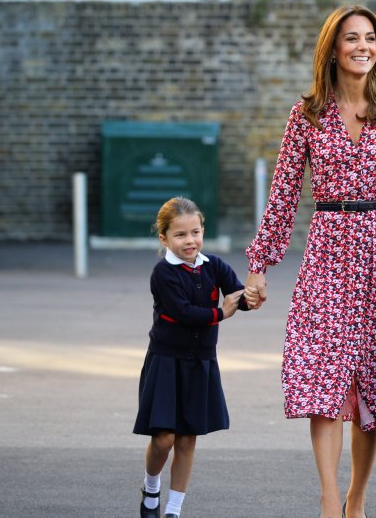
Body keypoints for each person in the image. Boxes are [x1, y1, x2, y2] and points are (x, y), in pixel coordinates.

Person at [241, 4, 376, 518]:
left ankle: (357, 499)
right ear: (333, 47)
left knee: (372, 386)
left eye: (370, 38)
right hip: (327, 250)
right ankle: (330, 499)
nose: (362, 47)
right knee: (323, 377)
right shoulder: (306, 114)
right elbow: (283, 197)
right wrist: (260, 263)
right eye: (351, 38)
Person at [135, 196, 249, 518]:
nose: (190, 241)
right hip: (167, 361)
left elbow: (237, 292)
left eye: (195, 232)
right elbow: (185, 313)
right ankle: (151, 487)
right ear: (164, 238)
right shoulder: (163, 273)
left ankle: (173, 509)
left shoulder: (213, 266)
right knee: (163, 438)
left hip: (201, 362)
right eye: (181, 235)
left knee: (187, 439)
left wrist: (251, 296)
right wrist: (221, 312)